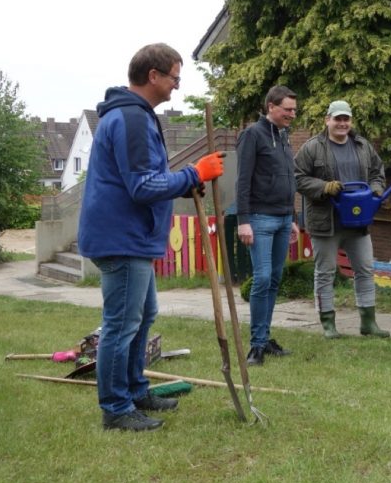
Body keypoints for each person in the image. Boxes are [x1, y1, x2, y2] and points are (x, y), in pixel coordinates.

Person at [78, 43, 225, 431]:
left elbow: (147, 180)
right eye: (175, 77)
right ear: (154, 75)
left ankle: (135, 389)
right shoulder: (130, 118)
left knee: (143, 317)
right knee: (122, 324)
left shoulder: (135, 116)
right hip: (121, 237)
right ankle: (116, 408)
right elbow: (143, 186)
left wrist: (188, 181)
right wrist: (194, 175)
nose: (177, 85)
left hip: (130, 237)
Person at [294, 100, 390, 339]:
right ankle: (328, 323)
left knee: (365, 270)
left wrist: (377, 188)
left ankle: (368, 323)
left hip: (358, 222)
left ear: (351, 121)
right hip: (326, 222)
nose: (342, 123)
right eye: (337, 119)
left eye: (346, 119)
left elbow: (378, 172)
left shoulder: (362, 146)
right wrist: (324, 186)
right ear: (327, 120)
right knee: (325, 272)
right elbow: (298, 178)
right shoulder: (312, 148)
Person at [236, 85, 301, 366]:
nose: (292, 114)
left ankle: (265, 338)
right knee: (262, 279)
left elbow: (289, 180)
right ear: (271, 107)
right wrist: (243, 221)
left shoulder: (284, 136)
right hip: (260, 219)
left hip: (284, 219)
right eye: (288, 110)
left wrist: (294, 218)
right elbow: (242, 180)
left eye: (294, 110)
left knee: (274, 279)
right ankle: (256, 346)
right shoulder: (253, 134)